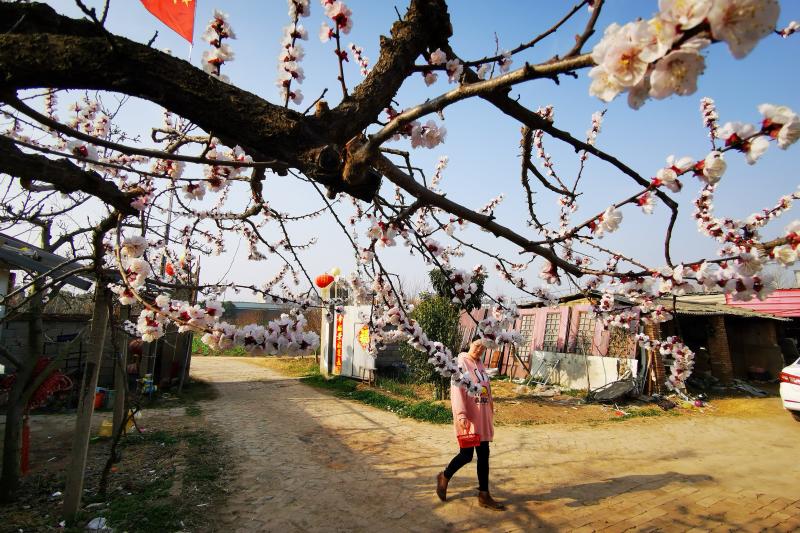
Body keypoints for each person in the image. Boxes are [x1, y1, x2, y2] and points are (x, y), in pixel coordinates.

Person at [436, 337, 505, 510]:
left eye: (483, 348)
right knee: (466, 455)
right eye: (477, 346)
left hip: (482, 416)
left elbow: (487, 389)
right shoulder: (461, 363)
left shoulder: (480, 365)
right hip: (469, 418)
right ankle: (444, 476)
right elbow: (457, 390)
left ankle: (484, 495)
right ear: (470, 344)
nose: (479, 350)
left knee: (484, 455)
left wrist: (490, 409)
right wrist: (461, 415)